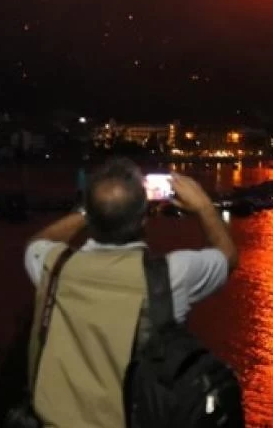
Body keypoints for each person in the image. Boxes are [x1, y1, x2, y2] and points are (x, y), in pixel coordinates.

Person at [23, 157, 239, 427]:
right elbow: (227, 257)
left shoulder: (53, 266)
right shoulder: (170, 276)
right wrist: (203, 206)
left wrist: (87, 212)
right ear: (143, 217)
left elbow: (38, 242)